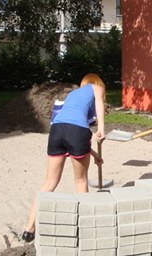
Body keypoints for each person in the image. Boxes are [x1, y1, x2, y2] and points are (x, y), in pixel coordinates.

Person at [20, 73, 106, 242]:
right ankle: (84, 228)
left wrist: (94, 155)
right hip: (77, 131)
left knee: (49, 183)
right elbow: (98, 104)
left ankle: (29, 228)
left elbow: (70, 128)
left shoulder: (73, 94)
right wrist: (101, 128)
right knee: (81, 181)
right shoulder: (96, 87)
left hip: (57, 130)